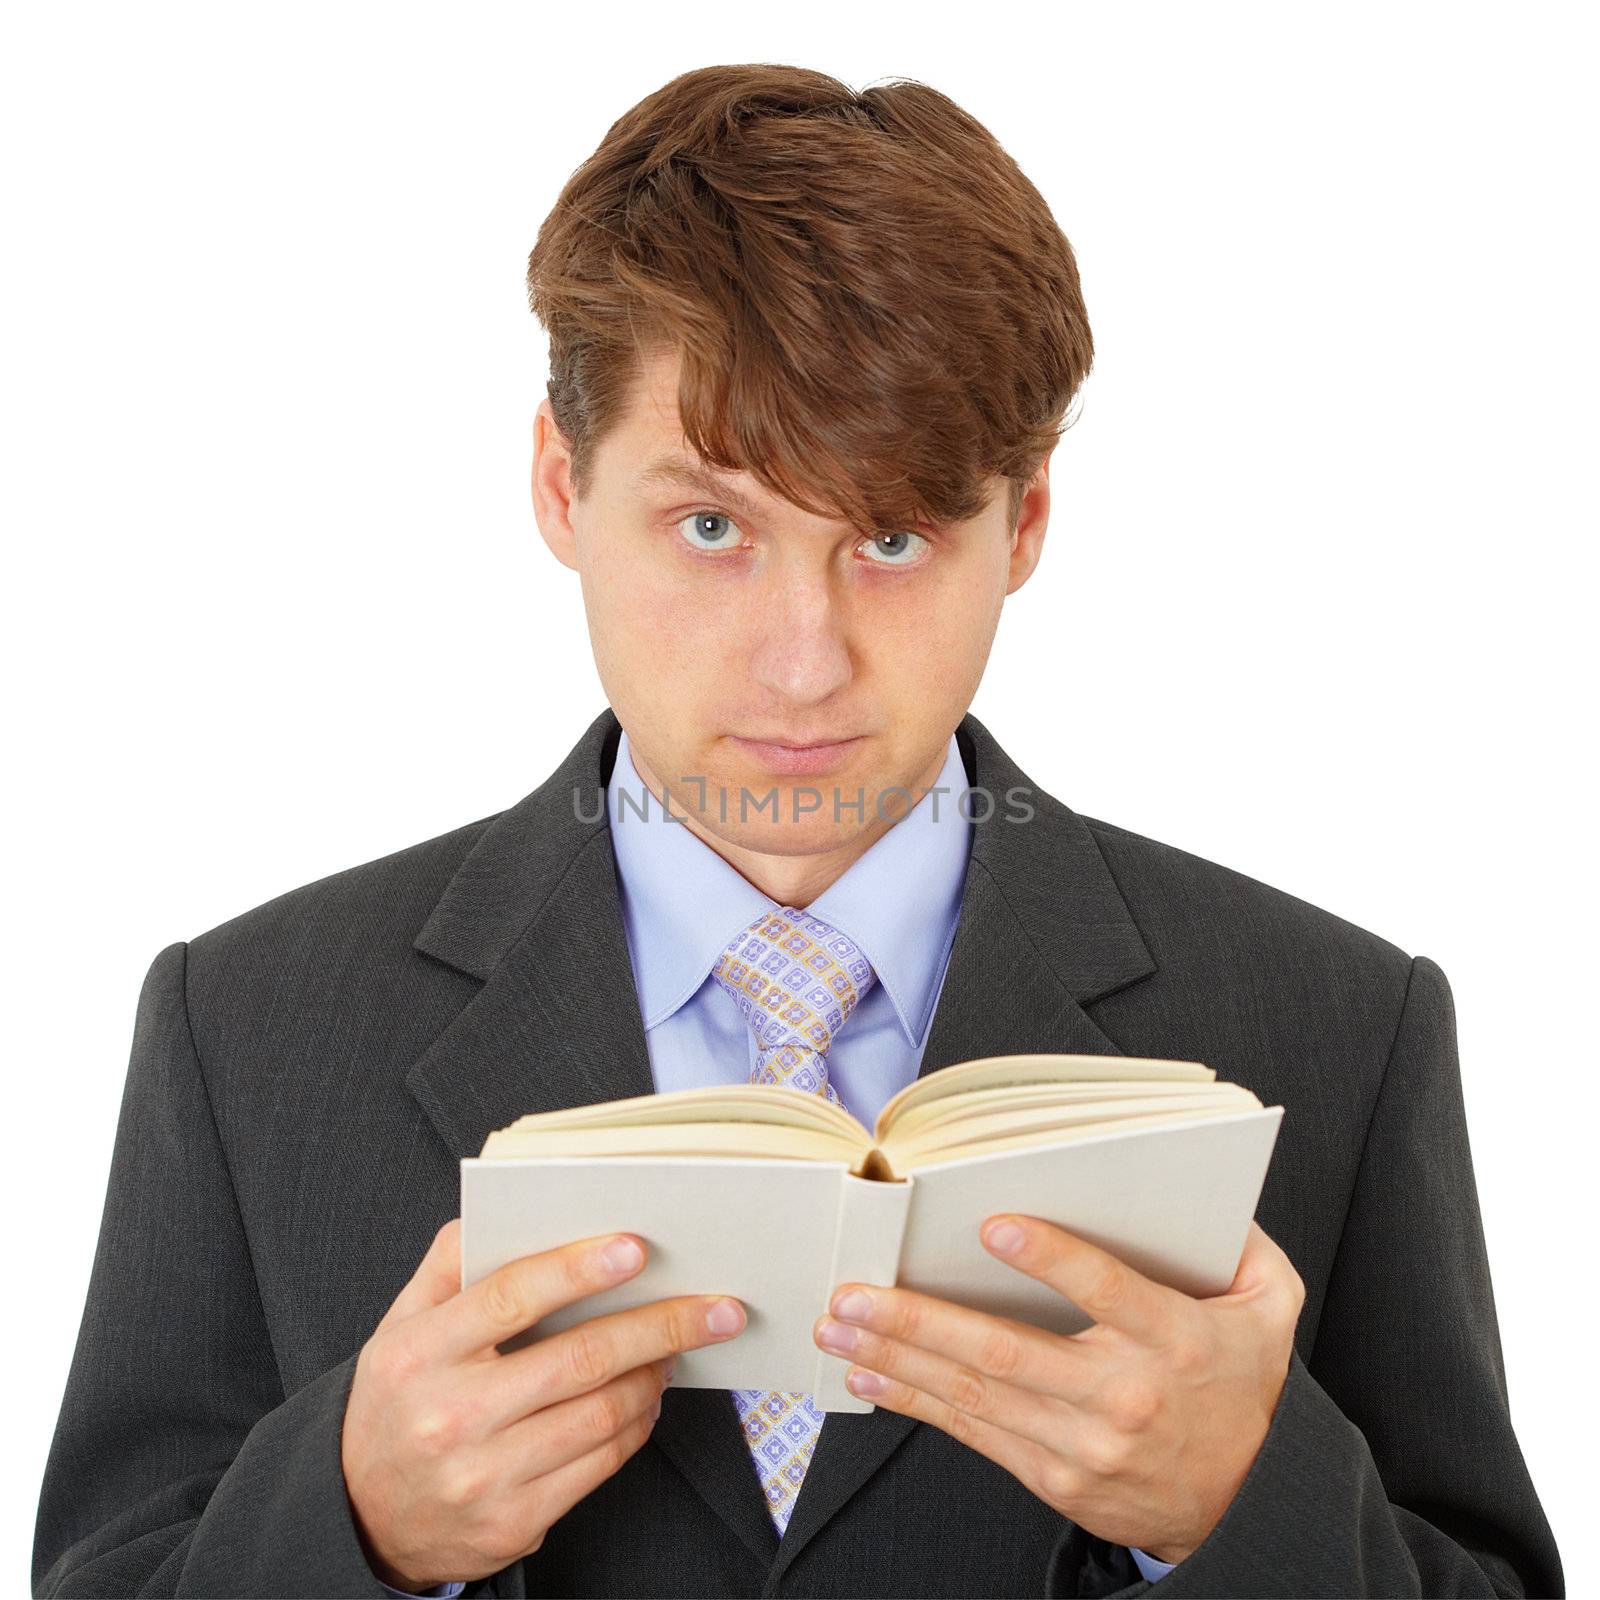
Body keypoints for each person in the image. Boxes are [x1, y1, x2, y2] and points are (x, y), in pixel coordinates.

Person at [32, 62, 1562, 1600]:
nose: (803, 660)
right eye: (712, 527)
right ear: (562, 489)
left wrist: (1243, 1502)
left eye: (892, 538)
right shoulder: (245, 1029)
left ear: (1023, 523)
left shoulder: (1340, 1028)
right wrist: (354, 1523)